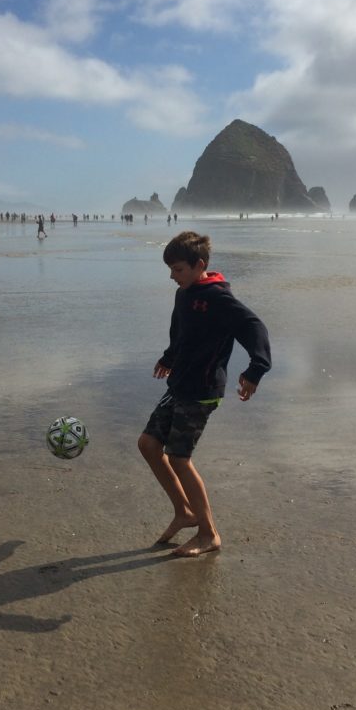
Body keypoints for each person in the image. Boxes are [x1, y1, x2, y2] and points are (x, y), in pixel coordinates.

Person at [138, 231, 271, 558]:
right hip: (179, 386)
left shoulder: (216, 298)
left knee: (180, 459)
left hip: (202, 390)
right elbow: (180, 330)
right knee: (149, 445)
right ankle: (184, 512)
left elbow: (254, 327)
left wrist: (256, 368)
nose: (172, 275)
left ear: (200, 265)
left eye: (178, 269)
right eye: (169, 269)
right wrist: (169, 358)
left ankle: (209, 533)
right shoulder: (184, 293)